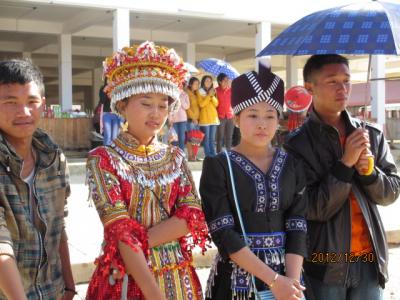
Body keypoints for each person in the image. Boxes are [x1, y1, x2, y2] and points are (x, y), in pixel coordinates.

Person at [85, 41, 209, 300]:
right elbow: (118, 227)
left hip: (177, 275)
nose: (156, 113)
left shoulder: (175, 156)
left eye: (163, 105)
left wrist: (135, 241)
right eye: (146, 103)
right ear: (122, 104)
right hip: (126, 277)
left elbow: (192, 214)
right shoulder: (103, 159)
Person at [284, 54, 400, 300]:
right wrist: (346, 163)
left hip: (370, 259)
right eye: (332, 81)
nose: (343, 88)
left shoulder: (370, 134)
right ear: (309, 88)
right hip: (326, 263)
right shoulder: (297, 145)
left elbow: (391, 193)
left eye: (346, 80)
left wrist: (369, 171)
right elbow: (314, 207)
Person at [200, 63, 307, 300]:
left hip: (289, 277)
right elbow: (224, 232)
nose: (262, 124)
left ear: (278, 119)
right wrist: (274, 281)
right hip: (235, 283)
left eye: (270, 116)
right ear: (236, 118)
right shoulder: (218, 166)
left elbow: (297, 224)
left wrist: (290, 284)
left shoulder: (292, 164)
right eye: (252, 115)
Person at [0, 59, 75, 299]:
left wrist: (70, 287)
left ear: (43, 105)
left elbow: (58, 226)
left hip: (52, 291)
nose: (23, 112)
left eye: (31, 102)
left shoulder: (53, 158)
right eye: (10, 102)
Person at [198, 75, 219, 157]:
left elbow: (216, 104)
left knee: (212, 139)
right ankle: (208, 155)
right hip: (205, 118)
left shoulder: (213, 91)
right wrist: (208, 96)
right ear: (203, 82)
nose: (208, 82)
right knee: (206, 139)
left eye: (210, 81)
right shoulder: (200, 91)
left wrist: (212, 96)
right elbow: (201, 104)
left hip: (214, 118)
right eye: (207, 81)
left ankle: (213, 154)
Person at [98, 79, 123, 146]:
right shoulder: (103, 88)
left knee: (114, 137)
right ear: (106, 80)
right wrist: (104, 91)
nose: (110, 81)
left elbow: (121, 101)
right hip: (107, 114)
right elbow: (102, 101)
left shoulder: (118, 88)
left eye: (112, 79)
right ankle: (107, 152)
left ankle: (114, 153)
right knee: (108, 135)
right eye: (108, 79)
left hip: (116, 114)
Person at [185, 77, 203, 161]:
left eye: (198, 84)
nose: (197, 85)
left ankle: (194, 156)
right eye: (195, 84)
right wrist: (193, 118)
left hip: (197, 119)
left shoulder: (196, 93)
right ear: (190, 84)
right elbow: (187, 107)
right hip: (190, 119)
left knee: (195, 139)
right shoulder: (187, 93)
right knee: (190, 138)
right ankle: (190, 156)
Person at [215, 72, 234, 153]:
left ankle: (229, 153)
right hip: (220, 116)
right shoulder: (215, 91)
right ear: (220, 81)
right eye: (225, 80)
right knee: (220, 137)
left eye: (227, 80)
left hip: (230, 116)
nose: (227, 82)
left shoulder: (231, 90)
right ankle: (219, 152)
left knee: (229, 136)